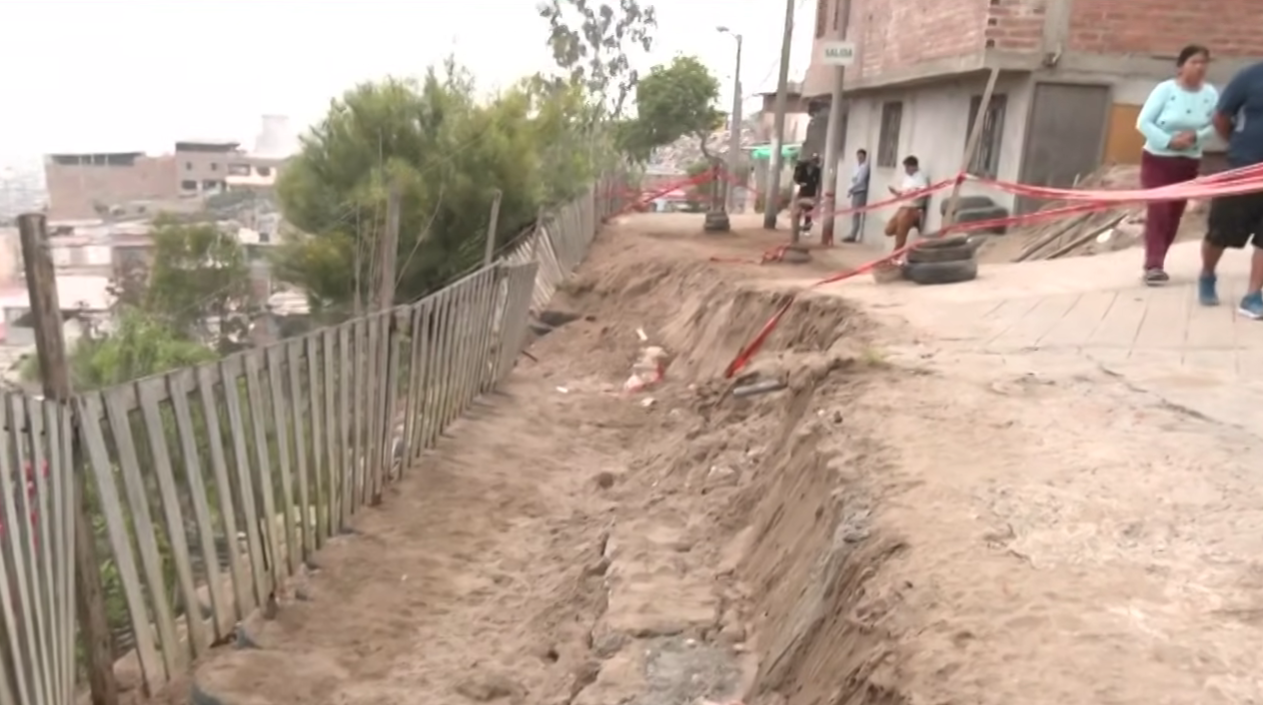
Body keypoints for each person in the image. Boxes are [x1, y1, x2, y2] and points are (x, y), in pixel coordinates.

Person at [1135, 44, 1217, 285]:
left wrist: (1195, 137)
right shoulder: (1165, 90)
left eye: (1204, 63)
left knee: (1173, 214)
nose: (1200, 67)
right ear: (1181, 67)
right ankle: (1153, 265)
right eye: (1194, 62)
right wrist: (1169, 141)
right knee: (1159, 209)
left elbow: (1215, 124)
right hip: (1158, 159)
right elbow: (1143, 122)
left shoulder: (1210, 93)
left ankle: (1159, 259)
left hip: (1188, 161)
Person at [1200, 59, 1263, 317]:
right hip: (1243, 169)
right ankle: (1207, 274)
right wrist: (1238, 147)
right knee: (1220, 233)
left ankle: (1253, 294)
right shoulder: (1250, 76)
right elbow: (1221, 117)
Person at [884, 155, 929, 255]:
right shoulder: (907, 177)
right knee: (888, 230)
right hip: (903, 206)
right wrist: (897, 193)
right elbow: (904, 192)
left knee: (901, 234)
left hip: (913, 208)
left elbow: (922, 194)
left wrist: (911, 193)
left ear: (913, 167)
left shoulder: (921, 178)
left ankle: (894, 257)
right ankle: (909, 225)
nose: (905, 170)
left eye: (907, 167)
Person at [844, 149, 870, 243]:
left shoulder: (864, 167)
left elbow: (860, 181)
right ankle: (852, 233)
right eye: (858, 156)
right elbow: (853, 179)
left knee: (856, 214)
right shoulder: (856, 166)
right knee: (854, 214)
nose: (859, 158)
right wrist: (850, 189)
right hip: (854, 191)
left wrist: (852, 188)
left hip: (860, 191)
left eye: (861, 156)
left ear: (864, 157)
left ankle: (853, 235)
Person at [792, 153, 822, 232]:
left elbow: (818, 182)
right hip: (802, 191)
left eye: (816, 162)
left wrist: (818, 194)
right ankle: (796, 226)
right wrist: (800, 183)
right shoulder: (802, 168)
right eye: (813, 161)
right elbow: (796, 177)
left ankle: (807, 227)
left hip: (811, 192)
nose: (814, 163)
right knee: (799, 208)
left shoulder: (817, 170)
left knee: (809, 210)